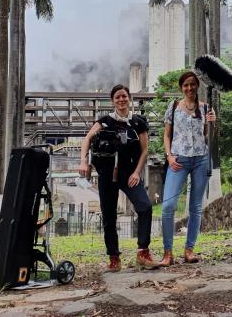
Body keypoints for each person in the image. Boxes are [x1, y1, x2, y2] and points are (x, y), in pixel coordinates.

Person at [79, 84, 159, 271]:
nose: (121, 100)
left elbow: (144, 150)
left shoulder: (138, 122)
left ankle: (143, 252)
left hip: (128, 173)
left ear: (129, 98)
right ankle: (114, 258)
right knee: (109, 216)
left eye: (124, 96)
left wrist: (136, 172)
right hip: (106, 174)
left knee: (145, 206)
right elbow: (87, 139)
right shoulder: (105, 121)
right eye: (117, 97)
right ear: (112, 101)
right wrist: (83, 161)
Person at [160, 71, 216, 266]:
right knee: (168, 205)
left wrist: (212, 123)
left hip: (201, 158)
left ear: (197, 86)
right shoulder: (174, 107)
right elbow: (166, 135)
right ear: (181, 88)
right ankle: (168, 252)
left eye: (193, 85)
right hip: (178, 160)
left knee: (195, 207)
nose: (189, 88)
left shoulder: (205, 108)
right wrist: (169, 155)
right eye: (186, 85)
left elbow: (209, 138)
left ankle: (189, 249)